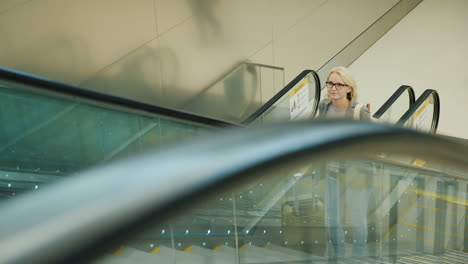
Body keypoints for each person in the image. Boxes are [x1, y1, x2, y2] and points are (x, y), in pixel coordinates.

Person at [317, 66, 371, 258]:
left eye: (339, 84)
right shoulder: (324, 107)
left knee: (358, 221)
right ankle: (338, 256)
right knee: (332, 220)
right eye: (330, 83)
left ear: (349, 88)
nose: (333, 88)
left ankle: (357, 258)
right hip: (331, 174)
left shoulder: (359, 112)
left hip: (355, 175)